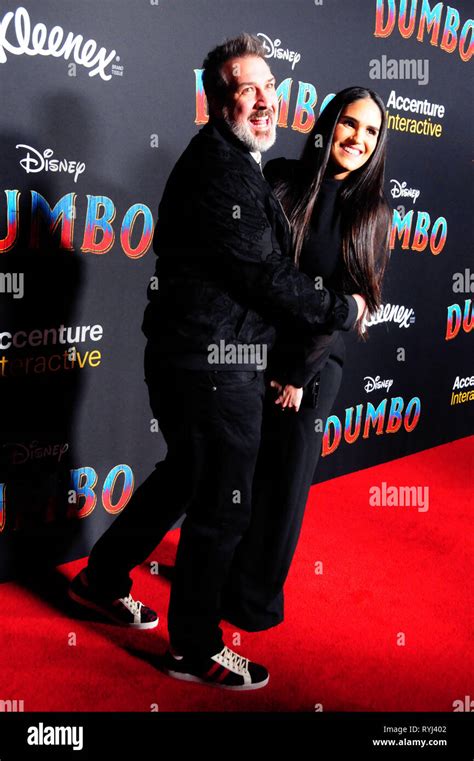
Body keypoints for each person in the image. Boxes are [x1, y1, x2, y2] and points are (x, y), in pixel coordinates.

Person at [68, 35, 366, 690]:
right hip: (211, 365)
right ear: (216, 100)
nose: (263, 99)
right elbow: (262, 277)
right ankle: (194, 648)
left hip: (200, 357)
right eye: (244, 88)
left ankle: (100, 578)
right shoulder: (220, 170)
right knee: (224, 506)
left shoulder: (237, 161)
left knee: (182, 478)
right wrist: (341, 309)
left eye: (268, 85)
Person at [220, 86, 392, 631]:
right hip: (250, 351)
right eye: (349, 123)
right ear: (327, 123)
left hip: (310, 370)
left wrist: (296, 374)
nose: (358, 139)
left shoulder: (371, 214)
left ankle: (253, 603)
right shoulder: (281, 179)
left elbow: (349, 303)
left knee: (283, 488)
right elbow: (255, 267)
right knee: (239, 476)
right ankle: (219, 576)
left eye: (370, 132)